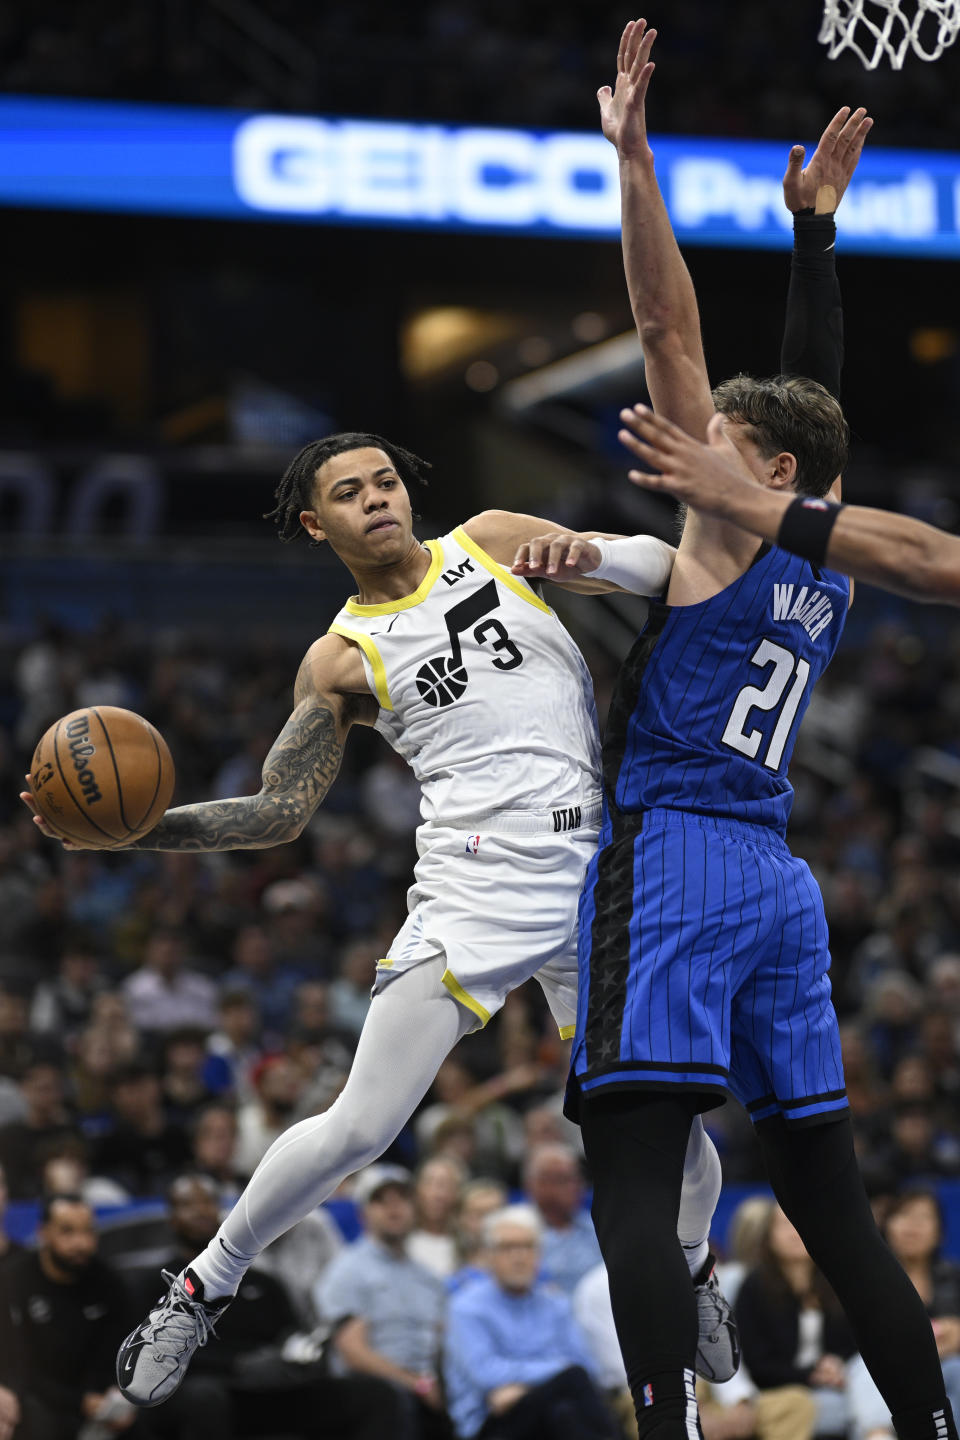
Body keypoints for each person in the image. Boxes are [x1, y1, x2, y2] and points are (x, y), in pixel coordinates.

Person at [23, 412, 732, 1393]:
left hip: (597, 877)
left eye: (385, 481)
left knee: (671, 1122)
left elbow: (666, 568)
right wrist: (145, 830)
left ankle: (693, 1273)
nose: (377, 498)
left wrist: (602, 556)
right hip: (472, 886)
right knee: (361, 1125)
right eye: (350, 493)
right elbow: (278, 811)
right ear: (317, 527)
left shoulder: (489, 540)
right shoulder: (342, 657)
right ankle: (200, 1289)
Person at [522, 20, 956, 1440]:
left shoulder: (731, 511)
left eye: (728, 445)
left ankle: (661, 1431)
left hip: (681, 858)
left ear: (753, 470)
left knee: (634, 1177)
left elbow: (670, 333)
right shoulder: (822, 551)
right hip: (782, 884)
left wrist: (636, 163)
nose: (699, 443)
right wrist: (814, 242)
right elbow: (805, 417)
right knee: (832, 1206)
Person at [126, 1173, 398, 1440]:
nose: (200, 1211)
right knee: (205, 1397)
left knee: (374, 1395)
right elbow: (151, 1355)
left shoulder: (262, 1281)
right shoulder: (156, 1284)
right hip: (205, 1390)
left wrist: (299, 1353)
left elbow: (292, 1334)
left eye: (208, 1202)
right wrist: (236, 1365)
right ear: (172, 1218)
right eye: (188, 1204)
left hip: (267, 1390)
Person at [615, 404, 960, 610]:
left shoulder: (730, 549)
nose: (718, 462)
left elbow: (667, 339)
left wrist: (733, 497)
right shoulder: (840, 586)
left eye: (729, 455)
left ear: (781, 470)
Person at [444, 1203, 618, 1440]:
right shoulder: (466, 1306)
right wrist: (558, 1372)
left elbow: (589, 1367)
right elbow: (486, 1372)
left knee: (563, 1412)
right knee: (571, 1382)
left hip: (545, 1410)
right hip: (491, 1423)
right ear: (489, 1255)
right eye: (508, 1247)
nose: (519, 1257)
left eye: (527, 1247)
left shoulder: (555, 1303)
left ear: (539, 1254)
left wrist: (526, 1387)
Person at [314, 1165, 451, 1440]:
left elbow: (443, 1344)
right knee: (390, 1399)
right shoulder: (346, 1271)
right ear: (363, 1214)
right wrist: (417, 1384)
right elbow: (352, 1353)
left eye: (402, 1198)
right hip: (373, 1394)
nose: (394, 1208)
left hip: (427, 1390)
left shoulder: (429, 1278)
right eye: (381, 1200)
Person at [0, 1193, 136, 1440]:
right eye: (67, 1232)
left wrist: (112, 1395)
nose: (81, 1243)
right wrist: (78, 1401)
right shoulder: (12, 1281)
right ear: (43, 1233)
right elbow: (18, 1365)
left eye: (87, 1232)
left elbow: (124, 1350)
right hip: (39, 1397)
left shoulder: (108, 1282)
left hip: (97, 1400)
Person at [521, 1143, 601, 1296]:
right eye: (563, 1179)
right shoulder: (518, 1230)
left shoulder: (595, 1227)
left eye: (577, 1178)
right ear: (535, 1184)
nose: (576, 1186)